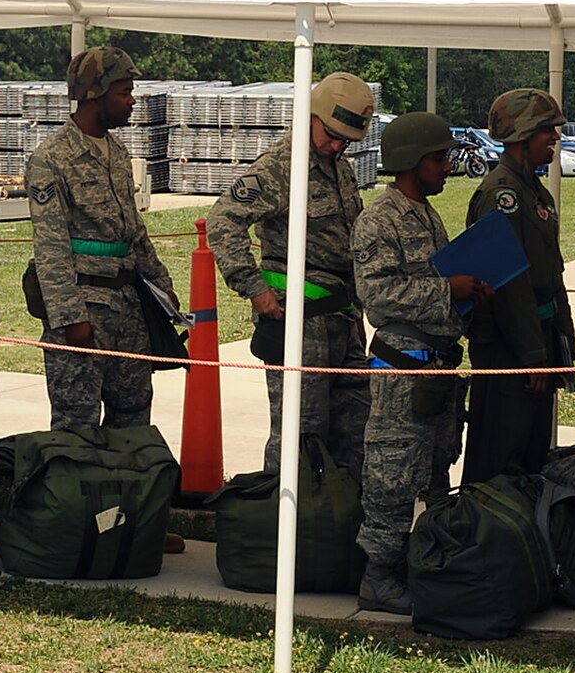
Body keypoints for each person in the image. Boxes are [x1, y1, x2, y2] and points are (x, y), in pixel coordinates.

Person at [352, 112, 491, 615]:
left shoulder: (428, 217)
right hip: (401, 371)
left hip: (437, 369)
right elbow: (377, 295)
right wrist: (446, 290)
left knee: (434, 472)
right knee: (391, 476)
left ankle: (424, 562)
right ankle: (378, 576)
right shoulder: (379, 219)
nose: (447, 167)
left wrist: (470, 290)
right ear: (412, 162)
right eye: (439, 158)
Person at [206, 71, 374, 479]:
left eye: (346, 140)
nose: (337, 145)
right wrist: (255, 290)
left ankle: (333, 526)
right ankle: (275, 528)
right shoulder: (282, 167)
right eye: (332, 134)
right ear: (312, 115)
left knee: (354, 428)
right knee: (301, 436)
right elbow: (222, 222)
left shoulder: (339, 167)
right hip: (298, 321)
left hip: (342, 317)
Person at [26, 47, 176, 432]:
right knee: (77, 423)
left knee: (134, 418)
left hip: (128, 310)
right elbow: (51, 246)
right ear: (95, 94)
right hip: (85, 310)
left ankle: (129, 493)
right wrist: (70, 318)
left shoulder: (119, 153)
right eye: (124, 92)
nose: (132, 101)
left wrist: (163, 287)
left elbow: (134, 233)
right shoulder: (52, 159)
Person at [462, 88, 575, 483]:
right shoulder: (502, 194)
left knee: (529, 456)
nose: (555, 138)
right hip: (508, 349)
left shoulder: (532, 189)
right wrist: (532, 354)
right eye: (548, 130)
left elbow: (551, 273)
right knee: (501, 456)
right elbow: (510, 283)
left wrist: (558, 344)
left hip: (535, 337)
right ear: (524, 135)